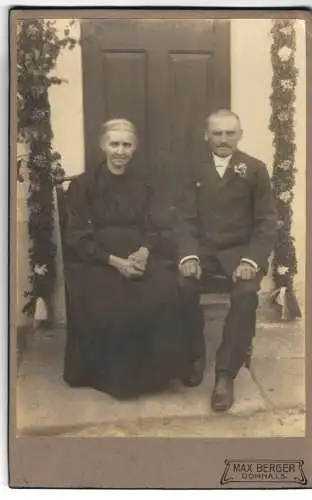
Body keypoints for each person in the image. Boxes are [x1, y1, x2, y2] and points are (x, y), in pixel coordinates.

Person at [62, 119, 188, 399]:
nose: (120, 151)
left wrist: (144, 251)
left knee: (165, 289)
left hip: (139, 254)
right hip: (98, 259)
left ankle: (156, 376)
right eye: (114, 144)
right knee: (115, 300)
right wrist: (115, 262)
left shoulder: (145, 183)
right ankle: (118, 380)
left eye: (126, 145)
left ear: (135, 148)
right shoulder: (84, 185)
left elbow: (157, 224)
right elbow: (77, 236)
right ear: (102, 145)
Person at [176, 109, 277, 411]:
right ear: (206, 135)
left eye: (229, 133)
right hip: (203, 251)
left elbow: (266, 222)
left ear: (240, 135)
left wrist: (252, 260)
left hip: (239, 253)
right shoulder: (191, 168)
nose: (223, 140)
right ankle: (194, 356)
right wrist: (188, 254)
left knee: (246, 295)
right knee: (182, 285)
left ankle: (225, 373)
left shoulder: (255, 169)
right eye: (217, 133)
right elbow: (183, 218)